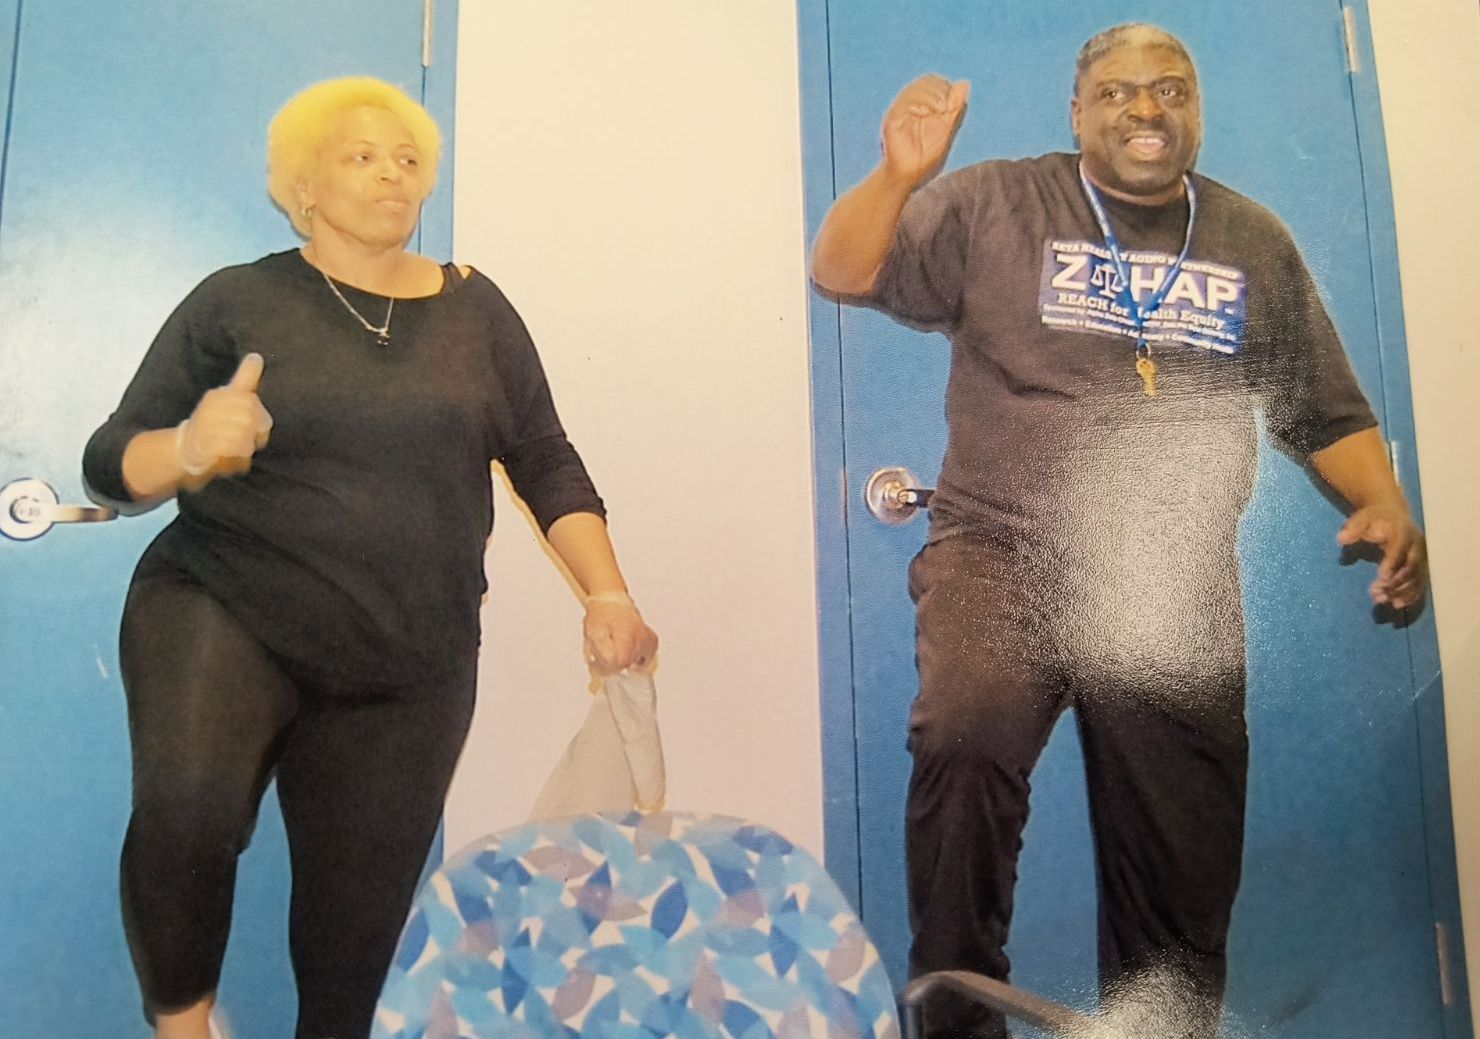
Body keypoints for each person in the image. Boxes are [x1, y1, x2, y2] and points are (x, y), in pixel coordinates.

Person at [811, 23, 1426, 1039]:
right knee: (962, 737)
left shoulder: (1248, 237)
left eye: (1169, 90)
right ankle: (956, 1017)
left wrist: (1384, 502)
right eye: (1118, 93)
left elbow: (1325, 409)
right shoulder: (998, 201)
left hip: (1166, 576)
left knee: (1178, 854)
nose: (1146, 111)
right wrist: (894, 175)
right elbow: (841, 268)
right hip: (1002, 549)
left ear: (1193, 107)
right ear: (1077, 111)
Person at [82, 77, 657, 1039]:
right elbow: (110, 459)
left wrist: (608, 591)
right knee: (190, 812)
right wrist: (186, 448)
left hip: (409, 652)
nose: (393, 174)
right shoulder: (238, 300)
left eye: (408, 159)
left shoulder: (477, 311)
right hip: (228, 605)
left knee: (355, 940)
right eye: (361, 156)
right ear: (303, 188)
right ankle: (183, 1025)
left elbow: (545, 457)